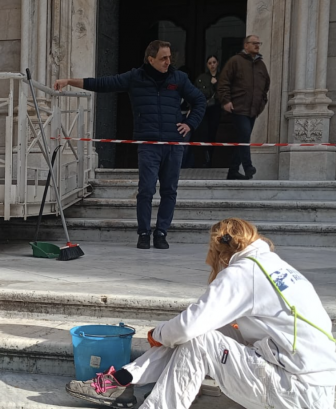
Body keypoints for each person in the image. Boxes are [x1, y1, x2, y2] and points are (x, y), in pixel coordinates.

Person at [65, 218, 336, 409]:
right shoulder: (276, 267)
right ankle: (124, 379)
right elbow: (197, 321)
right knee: (207, 326)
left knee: (196, 336)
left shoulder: (243, 273)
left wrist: (157, 334)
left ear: (220, 250)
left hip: (296, 396)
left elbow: (186, 328)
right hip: (313, 391)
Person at [54, 40, 206, 250]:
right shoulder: (135, 77)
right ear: (150, 59)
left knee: (170, 191)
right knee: (146, 189)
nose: (168, 62)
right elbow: (104, 83)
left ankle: (161, 233)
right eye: (163, 58)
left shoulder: (178, 78)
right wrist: (69, 81)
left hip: (173, 144)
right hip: (148, 144)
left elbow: (200, 100)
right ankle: (143, 233)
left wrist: (190, 124)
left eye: (170, 57)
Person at [217, 35, 271, 180]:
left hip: (253, 110)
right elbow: (223, 83)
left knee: (242, 137)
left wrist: (261, 103)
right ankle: (248, 167)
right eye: (254, 43)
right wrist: (226, 101)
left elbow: (266, 86)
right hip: (238, 108)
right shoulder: (235, 61)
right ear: (246, 45)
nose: (257, 46)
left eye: (259, 43)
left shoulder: (261, 65)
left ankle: (233, 171)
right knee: (245, 135)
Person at [193, 55, 222, 167]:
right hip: (204, 109)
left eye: (214, 62)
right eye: (210, 63)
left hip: (216, 109)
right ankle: (206, 159)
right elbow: (196, 93)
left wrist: (215, 85)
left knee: (213, 134)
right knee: (204, 133)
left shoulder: (222, 77)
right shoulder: (202, 78)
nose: (212, 65)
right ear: (207, 65)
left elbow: (224, 93)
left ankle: (212, 158)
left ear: (217, 63)